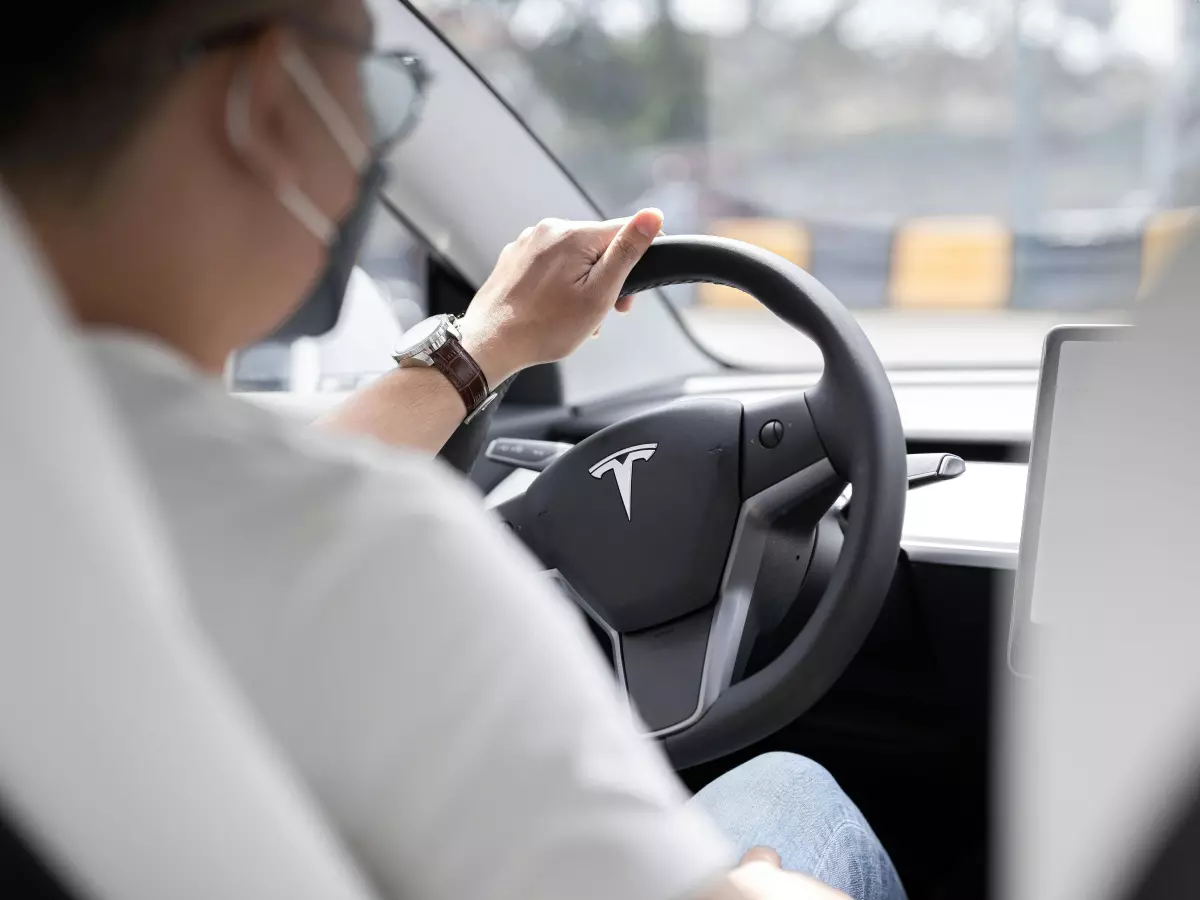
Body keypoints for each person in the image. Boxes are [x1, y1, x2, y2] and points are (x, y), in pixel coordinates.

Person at [0, 3, 904, 900]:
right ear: (269, 102)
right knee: (790, 796)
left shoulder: (74, 478)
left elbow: (235, 508)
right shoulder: (371, 553)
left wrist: (486, 345)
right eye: (379, 86)